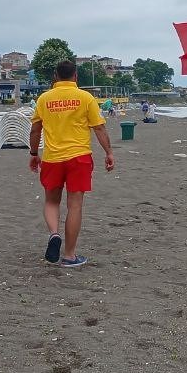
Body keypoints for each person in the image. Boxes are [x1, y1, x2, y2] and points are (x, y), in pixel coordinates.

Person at [29, 60, 115, 267]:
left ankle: (54, 234)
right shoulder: (85, 97)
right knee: (75, 205)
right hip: (79, 158)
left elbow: (35, 130)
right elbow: (99, 128)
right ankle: (69, 255)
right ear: (75, 76)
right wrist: (109, 152)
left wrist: (33, 153)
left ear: (56, 77)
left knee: (51, 201)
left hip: (52, 158)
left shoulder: (44, 99)